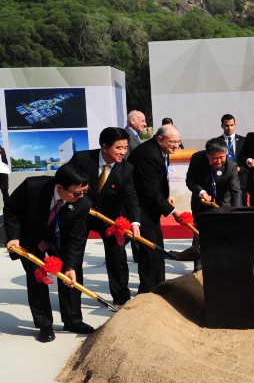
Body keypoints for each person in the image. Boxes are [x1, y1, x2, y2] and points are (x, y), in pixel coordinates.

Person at [4, 164, 93, 342]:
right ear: (60, 188)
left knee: (71, 278)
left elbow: (76, 238)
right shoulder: (32, 186)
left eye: (84, 191)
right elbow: (11, 210)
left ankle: (73, 320)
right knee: (37, 279)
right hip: (30, 240)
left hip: (59, 241)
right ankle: (45, 325)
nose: (81, 196)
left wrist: (70, 266)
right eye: (77, 193)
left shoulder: (83, 203)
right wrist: (14, 237)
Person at [68, 127, 141, 306]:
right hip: (82, 215)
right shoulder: (82, 159)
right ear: (105, 147)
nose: (123, 152)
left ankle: (121, 298)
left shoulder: (126, 168)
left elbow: (131, 196)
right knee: (74, 256)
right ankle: (73, 297)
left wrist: (135, 222)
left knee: (117, 256)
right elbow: (65, 180)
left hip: (111, 218)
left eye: (125, 148)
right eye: (119, 148)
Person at [128, 125, 183, 293]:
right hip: (140, 208)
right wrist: (172, 211)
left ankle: (159, 287)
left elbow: (155, 183)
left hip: (149, 207)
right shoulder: (149, 155)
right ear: (160, 139)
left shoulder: (159, 150)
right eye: (172, 142)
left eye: (178, 142)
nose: (176, 146)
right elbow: (149, 191)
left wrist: (165, 198)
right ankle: (148, 292)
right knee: (150, 251)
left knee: (156, 249)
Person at [185, 138, 242, 271]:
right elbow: (190, 181)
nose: (219, 161)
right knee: (199, 236)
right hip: (201, 204)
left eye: (221, 157)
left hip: (223, 204)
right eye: (214, 158)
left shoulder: (231, 166)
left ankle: (221, 267)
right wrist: (201, 192)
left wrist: (237, 212)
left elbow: (236, 191)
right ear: (207, 155)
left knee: (222, 236)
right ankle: (198, 269)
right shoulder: (197, 159)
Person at [218, 114, 247, 203]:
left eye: (231, 125)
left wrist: (240, 168)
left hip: (240, 179)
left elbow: (247, 159)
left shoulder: (244, 140)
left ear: (235, 125)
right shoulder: (217, 142)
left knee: (241, 206)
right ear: (222, 126)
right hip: (224, 180)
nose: (229, 128)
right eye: (226, 125)